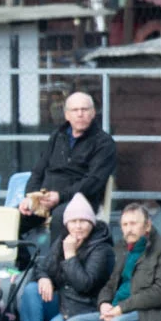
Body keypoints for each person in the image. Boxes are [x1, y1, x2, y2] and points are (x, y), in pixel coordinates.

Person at [11, 192, 113, 321]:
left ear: (91, 223)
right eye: (73, 221)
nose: (77, 226)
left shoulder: (101, 248)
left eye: (83, 221)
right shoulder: (63, 241)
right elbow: (42, 266)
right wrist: (44, 278)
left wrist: (70, 256)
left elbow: (85, 284)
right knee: (31, 290)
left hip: (84, 307)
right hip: (63, 301)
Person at [18, 91, 117, 242]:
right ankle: (23, 262)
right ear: (66, 115)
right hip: (45, 201)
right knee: (8, 218)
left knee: (62, 216)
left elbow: (93, 181)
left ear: (93, 113)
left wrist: (60, 196)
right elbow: (38, 171)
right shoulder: (57, 136)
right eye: (75, 110)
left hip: (80, 200)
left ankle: (56, 265)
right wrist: (31, 197)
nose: (80, 114)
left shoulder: (104, 143)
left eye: (84, 110)